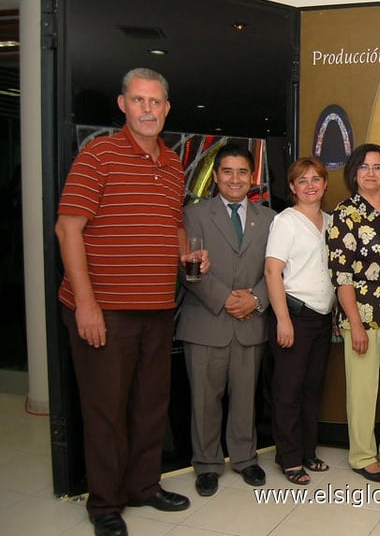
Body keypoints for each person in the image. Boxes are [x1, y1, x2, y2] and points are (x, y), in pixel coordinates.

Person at [55, 68, 206, 536]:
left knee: (148, 405)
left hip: (158, 308)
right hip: (105, 308)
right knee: (106, 409)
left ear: (166, 108)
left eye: (156, 102)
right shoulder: (99, 154)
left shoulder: (173, 162)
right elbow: (68, 229)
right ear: (123, 104)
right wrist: (86, 304)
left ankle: (144, 486)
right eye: (138, 100)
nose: (147, 109)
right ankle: (105, 503)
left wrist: (185, 253)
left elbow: (172, 222)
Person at [175, 144, 275, 497]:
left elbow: (278, 267)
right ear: (216, 176)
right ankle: (206, 464)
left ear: (253, 177)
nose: (235, 179)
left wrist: (256, 299)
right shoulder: (193, 215)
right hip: (205, 321)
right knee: (204, 400)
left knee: (246, 397)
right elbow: (185, 266)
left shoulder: (268, 218)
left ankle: (246, 459)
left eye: (242, 172)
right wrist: (224, 298)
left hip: (251, 322)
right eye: (228, 172)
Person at [327, 143, 380, 483]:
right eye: (364, 167)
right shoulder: (344, 213)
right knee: (363, 390)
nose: (371, 173)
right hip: (361, 316)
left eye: (378, 167)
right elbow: (341, 275)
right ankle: (362, 455)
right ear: (354, 172)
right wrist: (355, 324)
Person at [265, 156, 335, 485]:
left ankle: (308, 451)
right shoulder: (286, 222)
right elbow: (271, 271)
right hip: (294, 314)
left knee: (312, 389)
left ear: (325, 184)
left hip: (322, 318)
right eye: (302, 180)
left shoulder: (333, 222)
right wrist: (282, 319)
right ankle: (289, 458)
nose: (310, 185)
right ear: (292, 188)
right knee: (288, 391)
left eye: (316, 179)